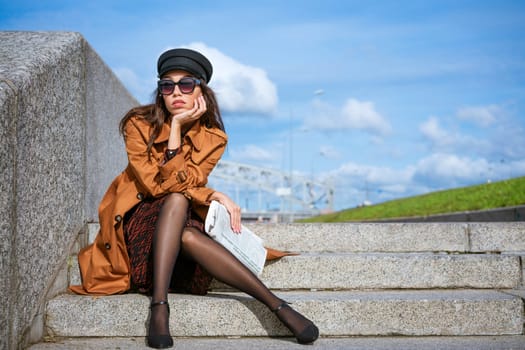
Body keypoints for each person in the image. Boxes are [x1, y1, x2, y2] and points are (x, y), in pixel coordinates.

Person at [70, 48, 319, 348]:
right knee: (176, 199)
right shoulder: (137, 124)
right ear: (160, 92)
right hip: (137, 229)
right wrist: (176, 131)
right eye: (167, 85)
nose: (176, 92)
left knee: (187, 233)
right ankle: (160, 306)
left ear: (201, 90)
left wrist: (200, 188)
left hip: (180, 232)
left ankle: (274, 304)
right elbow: (153, 186)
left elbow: (188, 182)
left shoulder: (213, 138)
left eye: (186, 84)